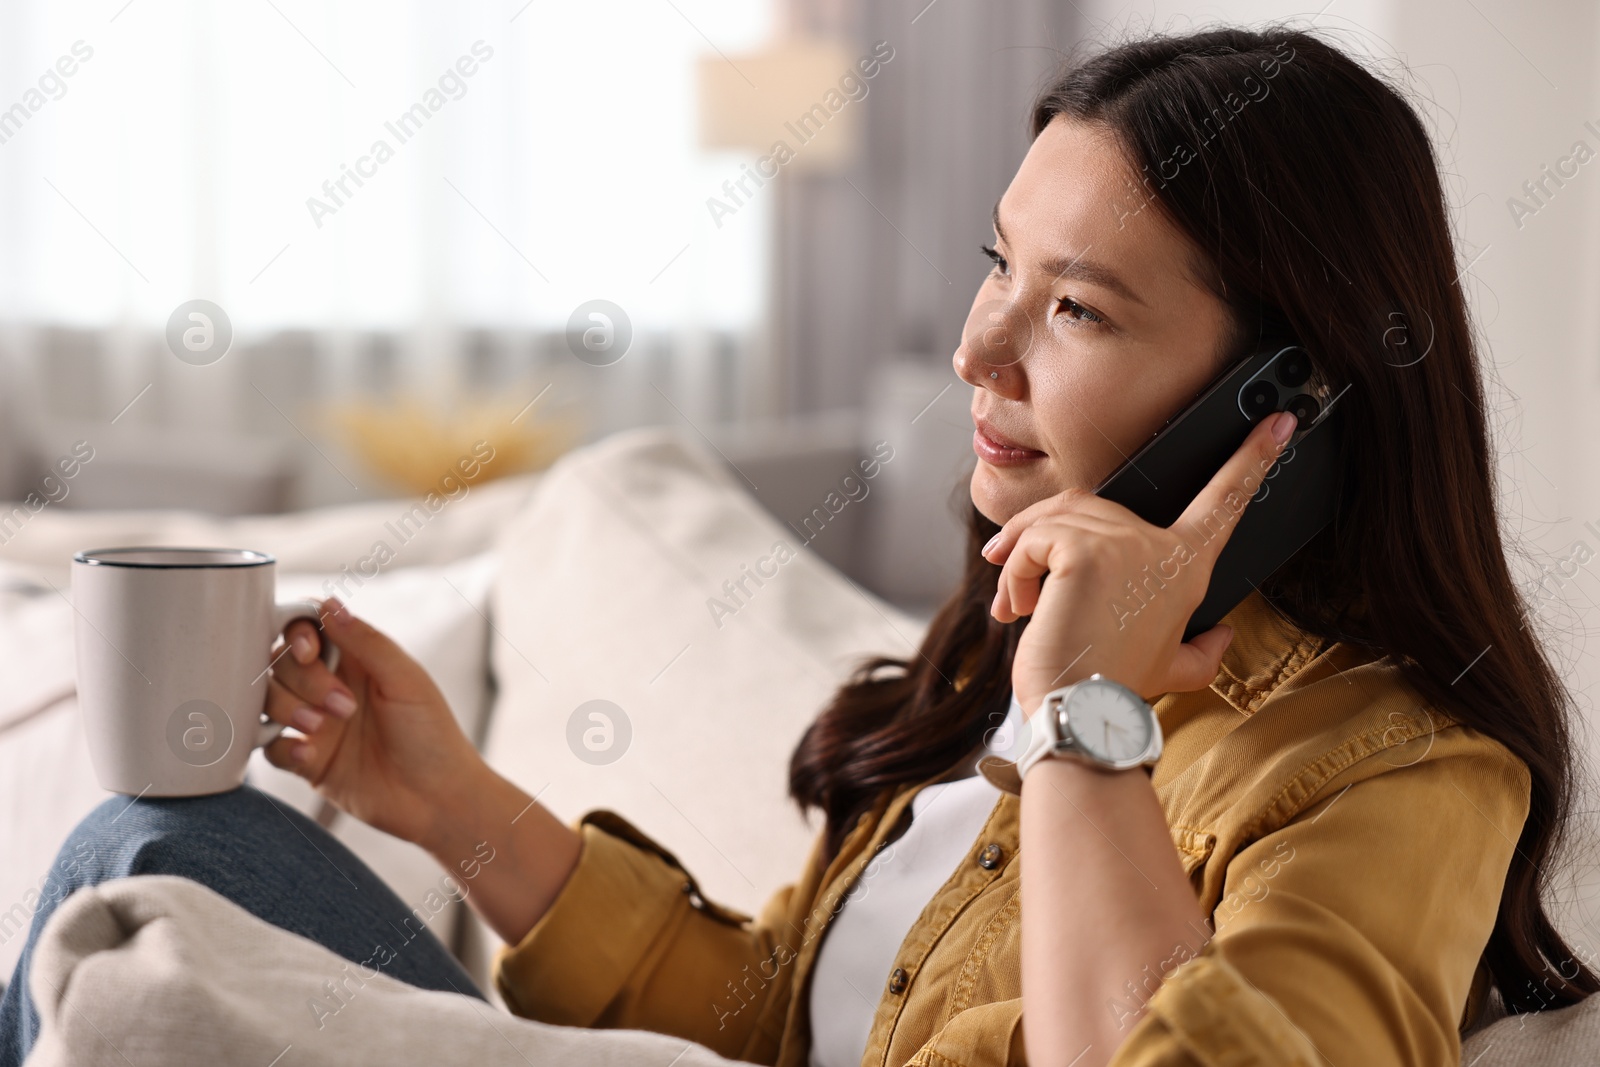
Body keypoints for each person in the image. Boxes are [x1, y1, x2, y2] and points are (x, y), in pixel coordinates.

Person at [3, 24, 1594, 1067]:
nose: (980, 351)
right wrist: (444, 804)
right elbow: (777, 1014)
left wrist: (1090, 730)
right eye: (998, 267)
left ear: (1286, 404)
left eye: (1077, 308)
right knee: (154, 845)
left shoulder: (1396, 771)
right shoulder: (1006, 647)